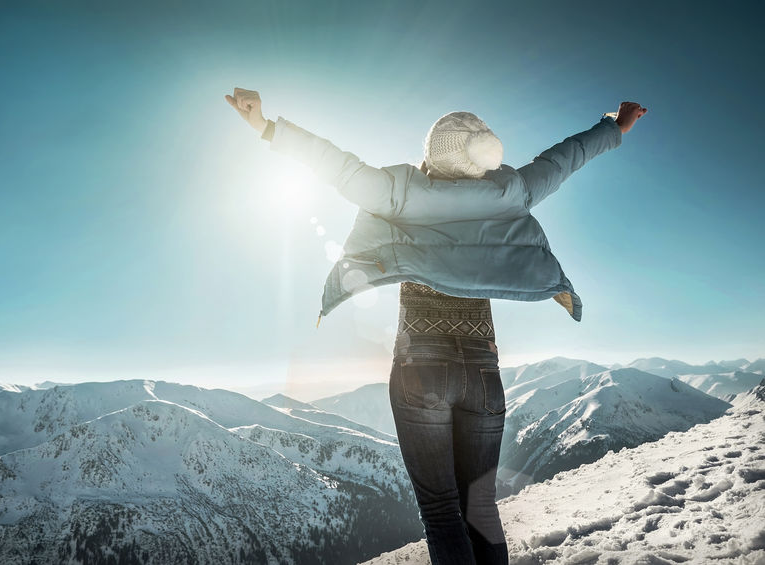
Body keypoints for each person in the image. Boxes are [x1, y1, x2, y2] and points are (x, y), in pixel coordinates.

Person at [226, 88, 646, 564]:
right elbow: (564, 159)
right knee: (480, 508)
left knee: (442, 513)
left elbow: (336, 165)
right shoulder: (510, 191)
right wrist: (614, 125)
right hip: (482, 368)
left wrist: (266, 126)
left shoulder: (401, 192)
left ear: (433, 153)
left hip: (419, 363)